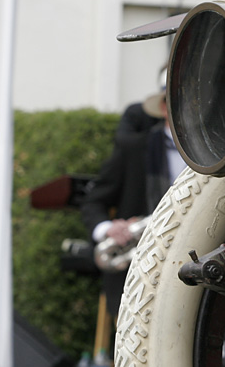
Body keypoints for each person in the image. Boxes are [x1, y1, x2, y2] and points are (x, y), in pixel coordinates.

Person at [80, 84, 187, 318]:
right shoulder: (133, 148)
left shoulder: (216, 153)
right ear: (163, 107)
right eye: (182, 99)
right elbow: (93, 201)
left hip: (193, 268)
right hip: (137, 274)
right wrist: (108, 229)